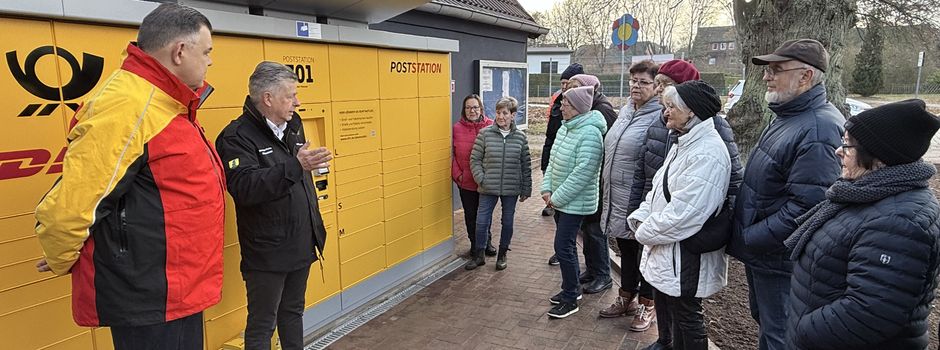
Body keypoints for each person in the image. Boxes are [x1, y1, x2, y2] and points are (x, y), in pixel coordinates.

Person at [33, 4, 221, 349]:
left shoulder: (165, 103)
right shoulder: (129, 105)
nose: (210, 61)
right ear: (180, 51)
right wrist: (61, 256)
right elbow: (72, 206)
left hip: (174, 289)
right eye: (207, 52)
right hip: (149, 296)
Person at [784, 99, 940, 349]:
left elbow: (869, 314)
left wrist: (804, 331)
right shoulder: (866, 194)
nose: (839, 150)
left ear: (880, 157)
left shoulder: (898, 223)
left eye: (848, 144)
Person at [727, 38, 845, 350]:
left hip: (780, 259)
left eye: (776, 70)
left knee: (781, 335)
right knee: (770, 327)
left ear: (806, 76)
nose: (766, 76)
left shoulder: (818, 129)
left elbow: (810, 207)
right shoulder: (788, 116)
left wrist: (752, 236)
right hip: (766, 253)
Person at [215, 62, 332, 350]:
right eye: (291, 95)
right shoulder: (236, 137)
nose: (297, 102)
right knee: (262, 324)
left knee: (292, 313)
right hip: (267, 254)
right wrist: (296, 166)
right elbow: (244, 187)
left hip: (301, 243)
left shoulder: (294, 125)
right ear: (268, 98)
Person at [630, 60, 744, 347]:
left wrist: (644, 231)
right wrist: (640, 216)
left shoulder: (706, 153)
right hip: (670, 248)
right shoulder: (684, 141)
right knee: (671, 308)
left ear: (691, 112)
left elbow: (685, 214)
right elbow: (658, 191)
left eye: (672, 107)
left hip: (686, 252)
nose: (665, 112)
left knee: (686, 314)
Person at [597, 60, 663, 332]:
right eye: (633, 81)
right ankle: (626, 297)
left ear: (657, 86)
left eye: (643, 82)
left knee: (645, 252)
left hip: (641, 196)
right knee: (625, 248)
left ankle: (648, 304)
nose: (636, 86)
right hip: (617, 193)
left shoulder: (659, 116)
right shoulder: (626, 110)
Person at [542, 85, 607, 319]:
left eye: (566, 104)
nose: (561, 107)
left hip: (575, 203)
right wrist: (546, 188)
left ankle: (570, 299)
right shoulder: (566, 127)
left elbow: (583, 174)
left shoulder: (590, 134)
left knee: (562, 247)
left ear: (578, 108)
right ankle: (572, 289)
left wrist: (556, 198)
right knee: (567, 246)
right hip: (560, 200)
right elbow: (552, 161)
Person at [464, 96, 532, 271]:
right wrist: (481, 179)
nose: (500, 116)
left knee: (507, 222)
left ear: (513, 115)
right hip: (488, 187)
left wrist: (526, 188)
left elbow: (525, 165)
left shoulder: (520, 137)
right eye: (498, 112)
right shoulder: (485, 134)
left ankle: (502, 254)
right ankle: (479, 255)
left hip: (511, 188)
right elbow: (475, 160)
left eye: (505, 113)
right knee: (481, 222)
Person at [566, 73, 616, 294]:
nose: (571, 91)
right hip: (590, 182)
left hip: (598, 181)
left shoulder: (602, 110)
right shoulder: (590, 108)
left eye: (576, 87)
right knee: (587, 228)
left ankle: (603, 275)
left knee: (595, 230)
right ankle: (593, 269)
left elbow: (606, 147)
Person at [543, 63, 583, 266]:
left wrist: (556, 198)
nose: (565, 87)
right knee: (563, 237)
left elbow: (582, 170)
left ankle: (574, 282)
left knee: (568, 239)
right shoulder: (558, 102)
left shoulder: (587, 125)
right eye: (563, 83)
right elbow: (551, 138)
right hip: (557, 176)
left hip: (571, 192)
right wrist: (546, 171)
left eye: (569, 83)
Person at [453, 94, 495, 256]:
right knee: (471, 216)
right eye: (468, 107)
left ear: (481, 109)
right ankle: (475, 245)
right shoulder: (456, 129)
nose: (472, 111)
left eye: (475, 107)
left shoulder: (491, 126)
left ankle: (487, 243)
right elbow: (451, 155)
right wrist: (459, 175)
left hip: (485, 182)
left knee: (485, 215)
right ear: (464, 110)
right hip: (466, 182)